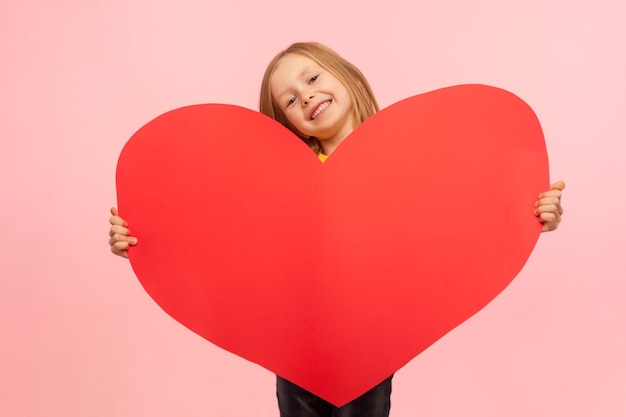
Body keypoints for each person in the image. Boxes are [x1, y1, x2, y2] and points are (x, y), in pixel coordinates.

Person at [109, 42, 565, 417]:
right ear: (285, 121)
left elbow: (460, 213)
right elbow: (217, 230)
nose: (305, 96)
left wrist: (529, 212)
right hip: (297, 340)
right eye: (289, 99)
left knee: (363, 404)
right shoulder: (279, 180)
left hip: (372, 333)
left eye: (311, 79)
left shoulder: (408, 159)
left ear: (346, 75)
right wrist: (145, 236)